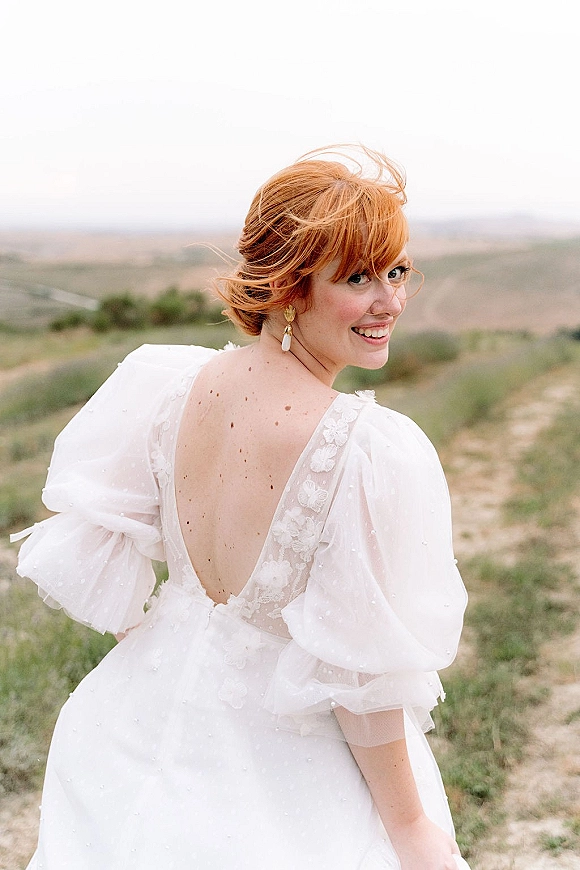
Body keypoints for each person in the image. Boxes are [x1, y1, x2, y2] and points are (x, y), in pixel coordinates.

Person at [12, 146, 471, 869]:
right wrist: (411, 830)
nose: (391, 301)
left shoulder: (165, 385)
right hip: (287, 769)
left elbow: (120, 558)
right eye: (358, 277)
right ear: (289, 287)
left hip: (135, 717)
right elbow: (359, 676)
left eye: (397, 271)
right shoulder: (364, 449)